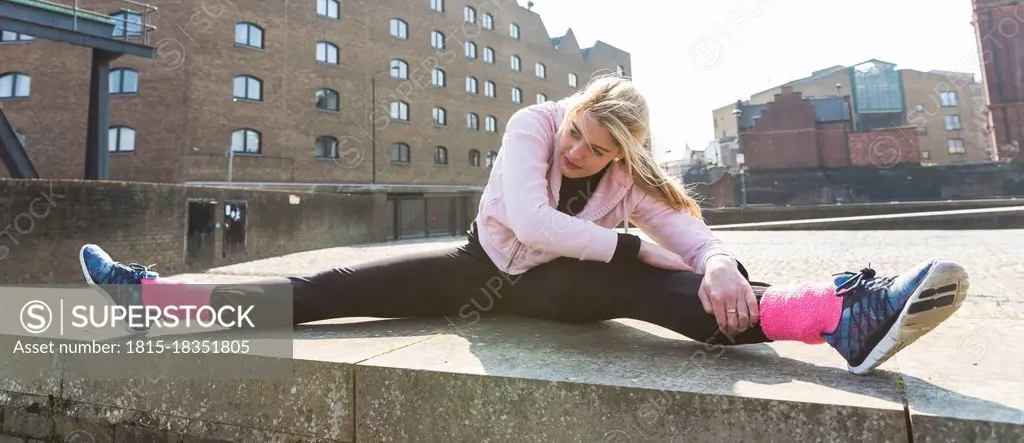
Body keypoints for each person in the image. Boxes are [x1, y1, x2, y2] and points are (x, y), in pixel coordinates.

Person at [78, 74, 969, 375]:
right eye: (578, 133)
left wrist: (724, 262)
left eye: (596, 150)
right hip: (479, 271)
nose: (578, 151)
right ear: (570, 113)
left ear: (622, 149)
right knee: (325, 293)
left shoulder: (629, 171)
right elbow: (529, 218)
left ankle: (836, 317)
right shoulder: (530, 127)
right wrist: (630, 240)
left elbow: (690, 236)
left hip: (564, 289)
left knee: (643, 283)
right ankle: (156, 298)